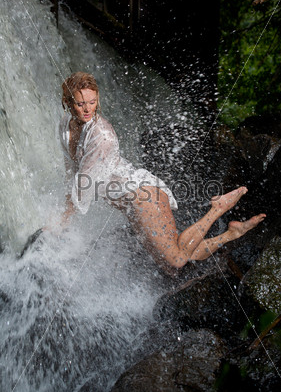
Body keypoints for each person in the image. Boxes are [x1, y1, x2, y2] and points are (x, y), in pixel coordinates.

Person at [58, 72, 266, 272]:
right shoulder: (66, 126)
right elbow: (72, 168)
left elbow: (83, 183)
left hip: (145, 198)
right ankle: (232, 233)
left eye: (92, 102)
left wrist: (59, 223)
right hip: (130, 205)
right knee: (171, 263)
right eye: (80, 103)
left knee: (176, 259)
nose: (87, 109)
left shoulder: (101, 135)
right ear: (69, 102)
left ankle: (217, 208)